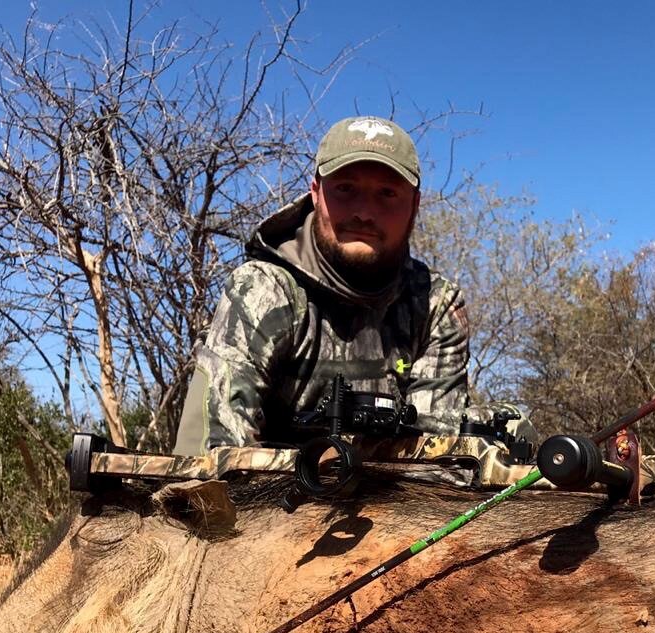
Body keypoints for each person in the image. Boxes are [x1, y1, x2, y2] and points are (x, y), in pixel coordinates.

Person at [174, 116, 470, 454]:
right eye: (346, 189)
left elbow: (435, 460)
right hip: (264, 501)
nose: (364, 213)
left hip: (402, 502)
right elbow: (214, 458)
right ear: (316, 193)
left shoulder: (436, 305)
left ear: (414, 206)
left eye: (387, 193)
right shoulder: (263, 289)